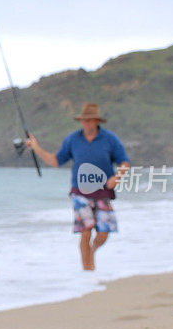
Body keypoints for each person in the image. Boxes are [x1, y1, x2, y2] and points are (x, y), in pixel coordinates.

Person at [26, 103, 130, 271]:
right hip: (79, 192)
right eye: (84, 120)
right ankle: (87, 272)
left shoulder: (110, 139)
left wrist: (117, 177)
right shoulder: (73, 139)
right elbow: (56, 161)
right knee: (86, 231)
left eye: (90, 120)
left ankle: (92, 251)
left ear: (96, 121)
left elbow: (124, 162)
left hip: (103, 191)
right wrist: (36, 148)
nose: (86, 123)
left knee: (104, 233)